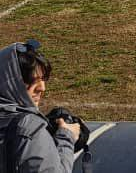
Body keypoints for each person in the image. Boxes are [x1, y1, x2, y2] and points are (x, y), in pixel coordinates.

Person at [0, 40, 80, 173]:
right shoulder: (29, 128)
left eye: (43, 79)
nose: (42, 88)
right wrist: (66, 137)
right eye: (31, 80)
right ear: (9, 82)